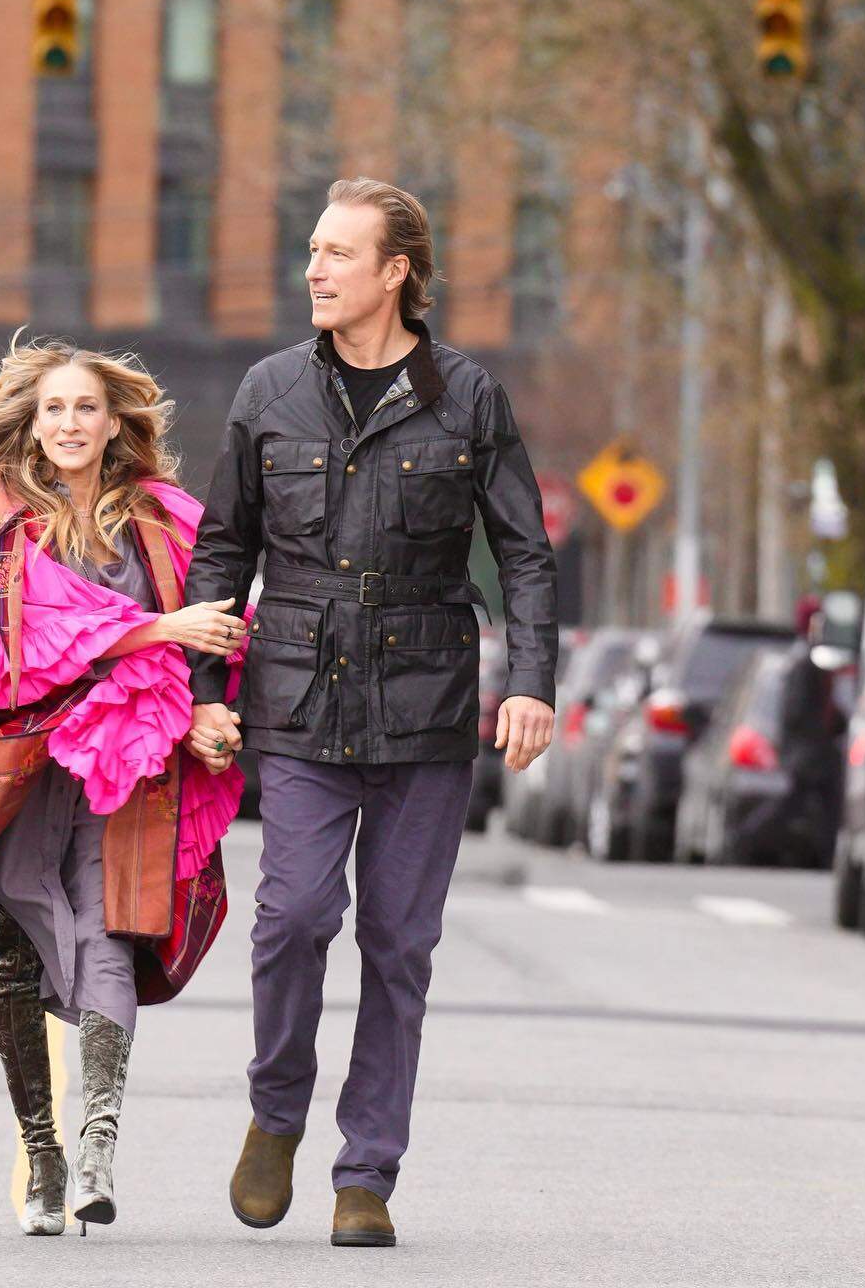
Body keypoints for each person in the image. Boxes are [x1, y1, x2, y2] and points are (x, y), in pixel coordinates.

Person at [181, 177, 559, 1248]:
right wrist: (204, 694)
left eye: (338, 253)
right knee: (292, 920)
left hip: (427, 709)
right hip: (297, 703)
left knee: (399, 946)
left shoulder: (467, 398)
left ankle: (367, 1171)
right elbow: (223, 550)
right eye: (312, 250)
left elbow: (525, 551)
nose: (315, 269)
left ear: (397, 272)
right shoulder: (267, 393)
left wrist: (528, 680)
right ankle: (275, 1111)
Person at [0, 333, 250, 1235]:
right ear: (31, 423)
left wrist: (209, 708)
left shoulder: (168, 519)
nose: (71, 422)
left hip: (129, 757)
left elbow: (226, 625)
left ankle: (96, 1147)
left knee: (111, 933)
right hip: (16, 768)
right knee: (11, 959)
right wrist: (154, 632)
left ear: (116, 418)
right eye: (54, 408)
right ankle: (40, 1155)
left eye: (87, 406)